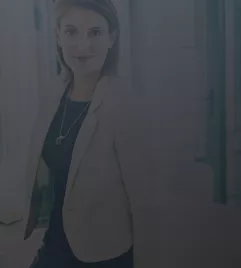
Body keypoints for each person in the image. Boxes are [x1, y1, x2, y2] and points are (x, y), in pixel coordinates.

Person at [0, 0, 158, 267]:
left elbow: (145, 203)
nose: (82, 46)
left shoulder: (124, 102)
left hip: (104, 254)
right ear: (58, 36)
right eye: (71, 31)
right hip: (55, 243)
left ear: (112, 37)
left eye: (95, 32)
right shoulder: (54, 92)